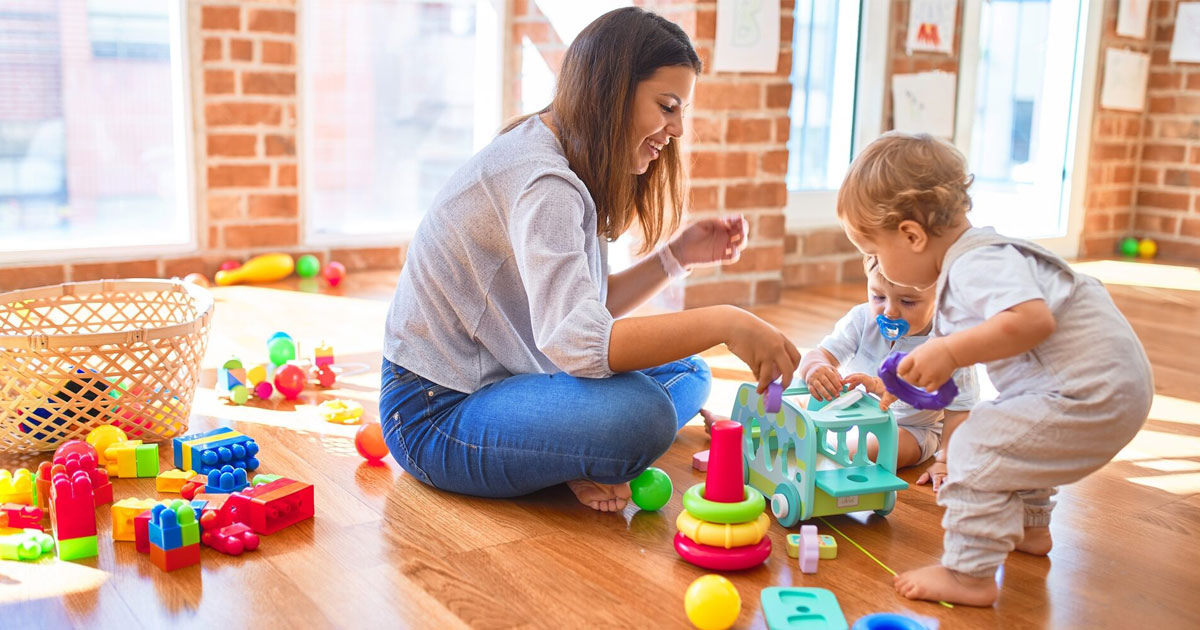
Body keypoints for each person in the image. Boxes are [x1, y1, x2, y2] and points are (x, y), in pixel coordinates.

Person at [379, 8, 799, 514]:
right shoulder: (545, 182)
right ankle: (582, 453)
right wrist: (727, 322)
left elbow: (585, 312)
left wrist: (678, 256)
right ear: (612, 91)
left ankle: (576, 452)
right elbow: (579, 343)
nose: (678, 129)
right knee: (643, 416)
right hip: (436, 415)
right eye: (668, 106)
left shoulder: (561, 153)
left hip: (510, 378)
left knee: (688, 372)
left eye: (681, 111)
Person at [836, 131, 1152, 606]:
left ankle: (969, 573)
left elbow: (1031, 320)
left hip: (1092, 392)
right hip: (1102, 388)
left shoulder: (975, 265)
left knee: (975, 442)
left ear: (911, 235)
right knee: (1017, 432)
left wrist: (949, 352)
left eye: (877, 252)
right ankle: (1030, 528)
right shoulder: (983, 255)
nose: (876, 265)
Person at [799, 255, 978, 486]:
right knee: (804, 396)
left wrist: (946, 461)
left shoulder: (950, 343)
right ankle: (812, 436)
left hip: (911, 427)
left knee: (865, 451)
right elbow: (820, 354)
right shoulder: (862, 319)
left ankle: (820, 446)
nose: (890, 311)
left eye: (908, 302)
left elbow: (961, 410)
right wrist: (815, 368)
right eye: (878, 296)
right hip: (849, 412)